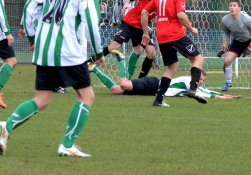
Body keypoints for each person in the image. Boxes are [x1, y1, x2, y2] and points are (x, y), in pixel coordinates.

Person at [0, 0, 105, 157]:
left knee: (42, 99)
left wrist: (32, 38)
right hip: (69, 52)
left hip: (44, 51)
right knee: (87, 95)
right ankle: (67, 144)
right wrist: (99, 52)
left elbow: (28, 8)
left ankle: (6, 127)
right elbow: (92, 24)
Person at [141, 0, 207, 106]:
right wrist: (191, 28)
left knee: (172, 67)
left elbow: (144, 12)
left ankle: (158, 100)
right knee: (198, 59)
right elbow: (181, 15)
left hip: (162, 36)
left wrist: (145, 33)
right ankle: (193, 89)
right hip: (175, 35)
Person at [88, 0, 149, 78]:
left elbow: (117, 5)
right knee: (113, 47)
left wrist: (115, 21)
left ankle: (129, 78)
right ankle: (88, 63)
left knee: (138, 49)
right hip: (132, 21)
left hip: (129, 21)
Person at [19, 0, 68, 94]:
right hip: (42, 30)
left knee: (47, 56)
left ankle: (49, 85)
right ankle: (56, 85)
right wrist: (29, 32)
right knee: (53, 55)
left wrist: (23, 26)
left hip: (40, 30)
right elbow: (29, 8)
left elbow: (29, 9)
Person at [88, 64, 242, 101]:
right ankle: (121, 61)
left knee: (116, 90)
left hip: (153, 92)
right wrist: (221, 98)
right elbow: (204, 94)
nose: (201, 82)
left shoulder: (193, 84)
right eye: (200, 79)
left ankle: (94, 69)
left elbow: (208, 91)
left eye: (202, 81)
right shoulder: (189, 81)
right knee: (124, 85)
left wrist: (224, 95)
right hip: (154, 84)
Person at [217, 0, 251, 91]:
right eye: (230, 5)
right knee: (227, 61)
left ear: (239, 8)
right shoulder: (225, 20)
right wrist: (223, 49)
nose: (232, 7)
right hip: (238, 42)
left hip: (249, 40)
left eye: (234, 6)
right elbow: (226, 33)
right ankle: (228, 82)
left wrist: (249, 48)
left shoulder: (247, 19)